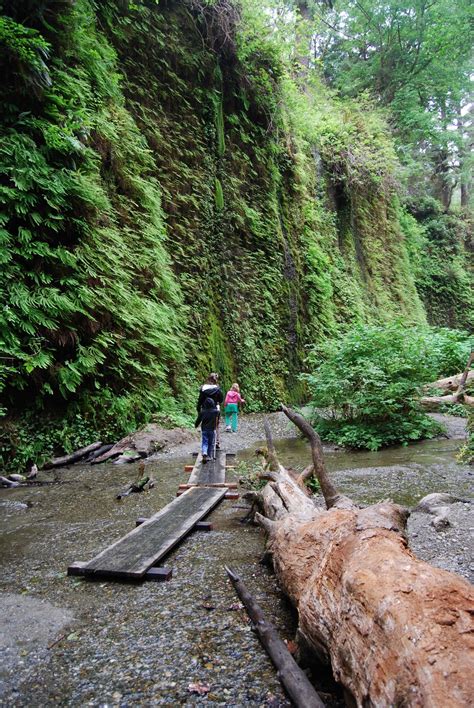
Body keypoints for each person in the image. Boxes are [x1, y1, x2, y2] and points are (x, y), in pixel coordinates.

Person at [197, 373, 223, 448]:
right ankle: (217, 442)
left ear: (208, 379)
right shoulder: (217, 389)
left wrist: (199, 410)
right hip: (215, 409)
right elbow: (221, 400)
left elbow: (200, 401)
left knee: (205, 425)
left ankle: (206, 443)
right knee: (216, 425)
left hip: (205, 410)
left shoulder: (203, 388)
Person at [195, 397, 219, 463]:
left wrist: (196, 425)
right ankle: (209, 456)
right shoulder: (215, 412)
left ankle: (204, 452)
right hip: (212, 429)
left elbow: (198, 420)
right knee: (211, 443)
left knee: (204, 442)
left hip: (204, 429)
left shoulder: (202, 412)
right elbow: (218, 417)